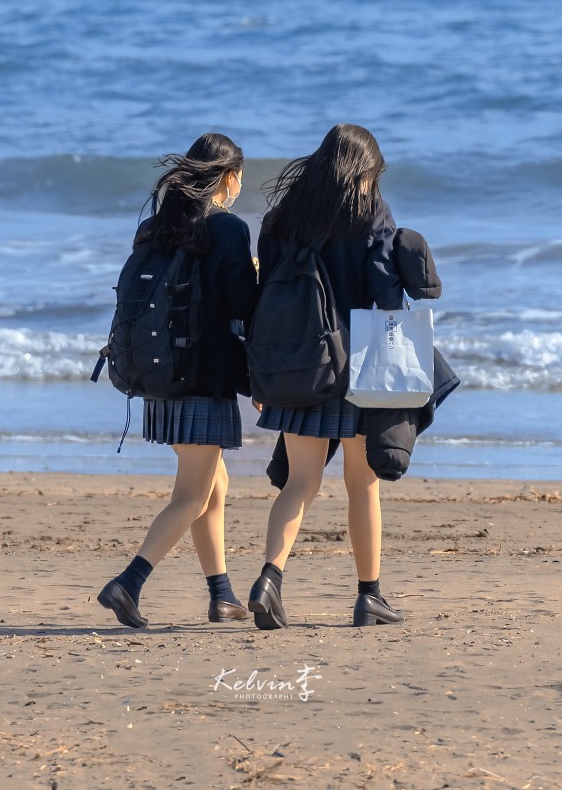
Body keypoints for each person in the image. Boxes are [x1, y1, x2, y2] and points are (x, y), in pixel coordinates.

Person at [248, 123, 406, 629]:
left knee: (299, 483)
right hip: (359, 366)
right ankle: (369, 597)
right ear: (363, 171)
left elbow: (264, 293)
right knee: (363, 485)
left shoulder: (281, 219)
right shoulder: (370, 215)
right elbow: (385, 292)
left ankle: (269, 579)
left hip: (298, 365)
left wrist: (261, 375)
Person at [97, 132, 258, 629]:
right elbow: (242, 305)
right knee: (191, 495)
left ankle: (222, 595)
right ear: (229, 179)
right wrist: (254, 270)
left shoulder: (156, 227)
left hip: (159, 377)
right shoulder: (228, 230)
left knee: (212, 486)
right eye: (238, 181)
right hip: (202, 380)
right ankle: (129, 582)